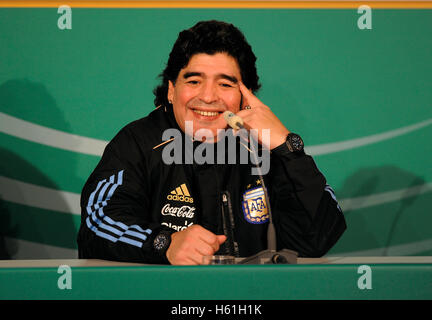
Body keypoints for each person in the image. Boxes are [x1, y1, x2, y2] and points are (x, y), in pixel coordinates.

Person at [77, 20, 346, 265]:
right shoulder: (137, 142)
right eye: (194, 81)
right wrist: (163, 243)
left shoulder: (264, 147)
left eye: (225, 85)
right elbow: (97, 224)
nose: (207, 97)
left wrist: (288, 147)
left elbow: (318, 237)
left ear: (246, 96)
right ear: (171, 90)